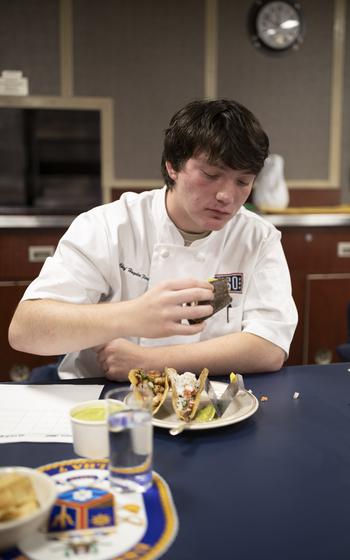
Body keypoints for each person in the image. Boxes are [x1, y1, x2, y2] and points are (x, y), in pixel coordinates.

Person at [8, 98, 298, 380]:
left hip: (210, 399)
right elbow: (26, 331)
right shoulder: (110, 225)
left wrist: (150, 362)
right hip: (103, 397)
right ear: (172, 166)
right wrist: (134, 315)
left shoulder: (257, 237)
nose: (226, 196)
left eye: (242, 182)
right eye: (211, 175)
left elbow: (270, 346)